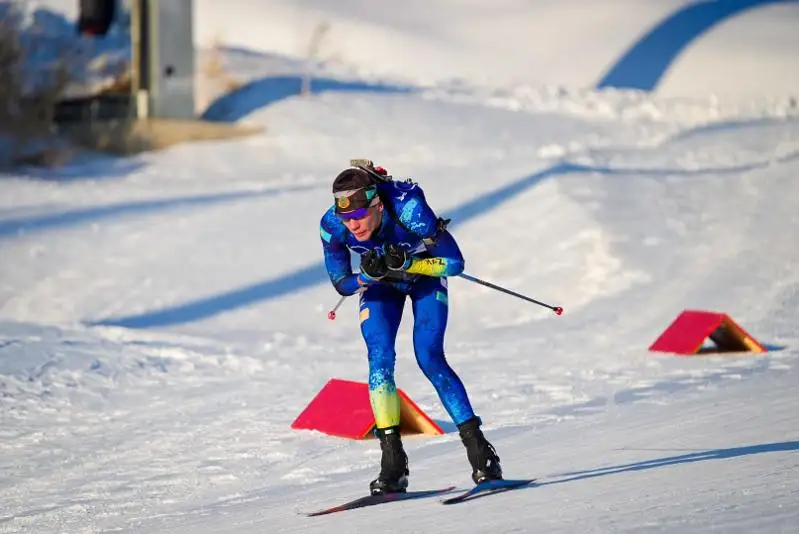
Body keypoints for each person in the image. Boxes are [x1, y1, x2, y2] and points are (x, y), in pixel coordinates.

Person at [319, 159, 503, 495]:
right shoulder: (332, 225)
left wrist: (411, 262)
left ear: (376, 205)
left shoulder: (409, 209)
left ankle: (481, 454)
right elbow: (341, 282)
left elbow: (454, 263)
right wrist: (366, 275)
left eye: (359, 217)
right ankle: (392, 465)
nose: (354, 226)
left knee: (429, 357)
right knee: (379, 359)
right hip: (381, 286)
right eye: (347, 218)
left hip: (424, 280)